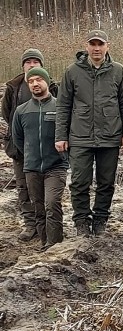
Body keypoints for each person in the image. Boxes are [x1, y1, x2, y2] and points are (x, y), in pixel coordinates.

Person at [55, 30, 123, 237]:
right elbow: (63, 105)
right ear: (87, 46)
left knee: (106, 181)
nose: (96, 48)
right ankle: (81, 220)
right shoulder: (72, 71)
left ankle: (101, 219)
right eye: (93, 44)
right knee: (80, 181)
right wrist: (61, 136)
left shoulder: (118, 71)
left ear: (107, 46)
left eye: (100, 44)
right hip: (79, 136)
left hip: (110, 135)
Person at [2, 48, 57, 241]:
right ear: (23, 66)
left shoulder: (52, 86)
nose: (32, 65)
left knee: (46, 192)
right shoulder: (13, 87)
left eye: (36, 62)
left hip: (48, 150)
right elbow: (7, 113)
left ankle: (48, 227)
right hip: (20, 147)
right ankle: (30, 224)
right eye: (28, 62)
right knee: (23, 186)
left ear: (41, 65)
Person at [11, 67, 68, 250]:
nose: (35, 84)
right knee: (39, 208)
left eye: (39, 80)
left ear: (47, 81)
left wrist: (63, 155)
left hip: (56, 166)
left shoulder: (60, 107)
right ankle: (45, 242)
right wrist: (30, 155)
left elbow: (69, 135)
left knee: (52, 203)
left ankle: (55, 244)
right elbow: (18, 138)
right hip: (32, 168)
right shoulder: (21, 111)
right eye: (31, 81)